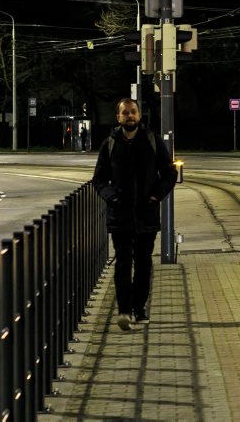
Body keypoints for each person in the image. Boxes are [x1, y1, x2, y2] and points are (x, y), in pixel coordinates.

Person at [92, 98, 177, 331]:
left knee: (142, 263)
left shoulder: (151, 141)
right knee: (122, 262)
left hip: (146, 214)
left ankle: (139, 308)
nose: (130, 116)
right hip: (119, 216)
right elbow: (98, 179)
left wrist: (155, 196)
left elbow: (169, 173)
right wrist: (112, 196)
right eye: (125, 113)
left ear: (139, 115)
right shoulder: (110, 144)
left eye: (133, 112)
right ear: (118, 117)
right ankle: (125, 311)